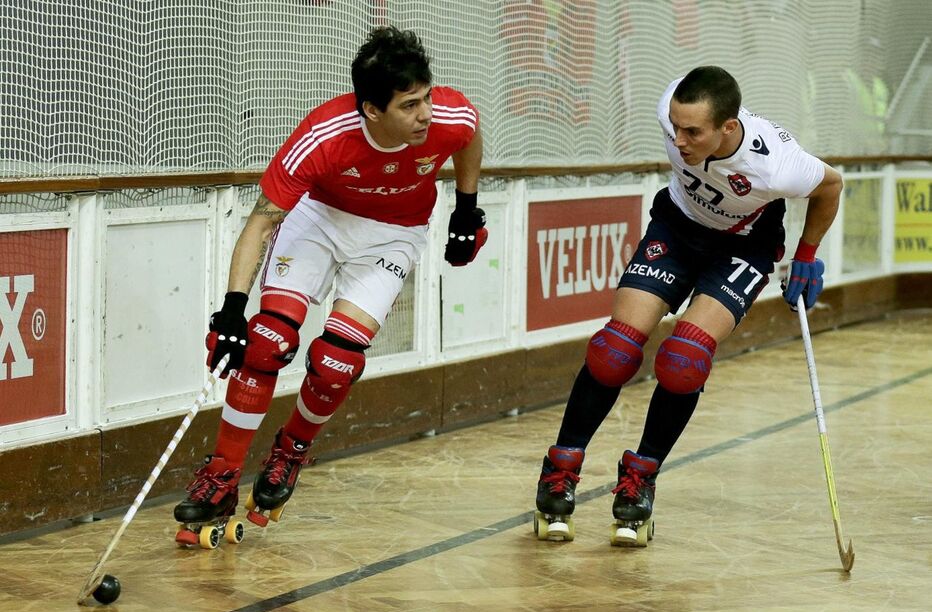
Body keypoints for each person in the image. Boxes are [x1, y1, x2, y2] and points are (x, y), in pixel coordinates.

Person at [173, 25, 485, 541]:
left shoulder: (447, 117)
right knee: (268, 341)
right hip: (318, 220)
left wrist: (467, 208)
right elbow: (261, 222)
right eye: (408, 106)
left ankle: (289, 453)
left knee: (338, 361)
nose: (425, 115)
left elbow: (470, 135)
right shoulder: (324, 137)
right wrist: (231, 311)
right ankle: (221, 474)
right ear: (371, 110)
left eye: (426, 97)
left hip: (394, 233)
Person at [533, 66, 842, 545]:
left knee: (683, 361)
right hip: (676, 229)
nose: (679, 140)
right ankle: (561, 468)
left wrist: (806, 255)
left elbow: (830, 186)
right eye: (675, 127)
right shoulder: (671, 109)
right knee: (613, 351)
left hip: (743, 247)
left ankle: (640, 480)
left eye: (693, 132)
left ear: (728, 128)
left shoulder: (777, 164)